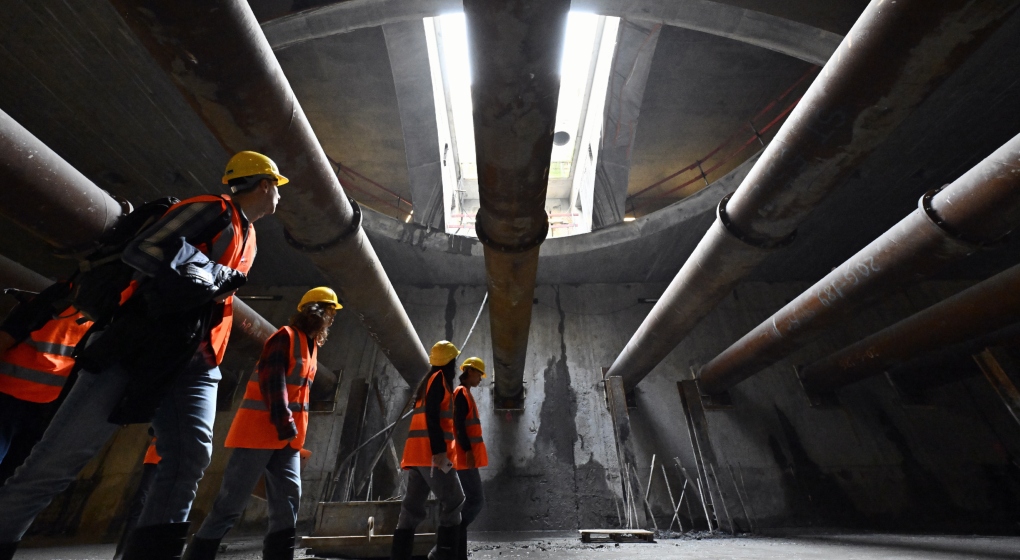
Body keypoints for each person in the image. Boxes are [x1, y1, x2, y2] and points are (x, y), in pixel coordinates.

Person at [0, 151, 287, 560]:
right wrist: (211, 274)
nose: (279, 196)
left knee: (189, 459)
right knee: (56, 463)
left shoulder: (250, 236)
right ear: (265, 184)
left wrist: (210, 285)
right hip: (139, 345)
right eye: (277, 187)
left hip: (197, 359)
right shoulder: (212, 209)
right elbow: (143, 250)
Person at [182, 287, 341, 560]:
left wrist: (291, 431)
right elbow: (272, 382)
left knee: (288, 502)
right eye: (329, 312)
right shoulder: (284, 337)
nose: (331, 318)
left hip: (288, 439)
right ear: (315, 313)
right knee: (231, 503)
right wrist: (284, 422)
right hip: (260, 433)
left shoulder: (311, 346)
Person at [0, 288, 92, 480]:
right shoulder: (105, 319)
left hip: (10, 389)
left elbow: (8, 335)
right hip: (42, 403)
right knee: (14, 468)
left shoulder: (58, 299)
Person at [391, 341, 465, 560]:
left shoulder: (429, 381)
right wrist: (439, 451)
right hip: (432, 457)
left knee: (411, 509)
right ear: (450, 362)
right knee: (455, 501)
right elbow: (432, 417)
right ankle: (443, 555)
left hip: (418, 456)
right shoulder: (439, 381)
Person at [451, 357, 488, 560]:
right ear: (470, 371)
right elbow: (458, 425)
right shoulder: (461, 393)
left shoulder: (465, 393)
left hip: (465, 457)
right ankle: (451, 536)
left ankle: (458, 550)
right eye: (479, 374)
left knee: (471, 501)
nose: (481, 378)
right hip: (464, 458)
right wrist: (467, 451)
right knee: (476, 500)